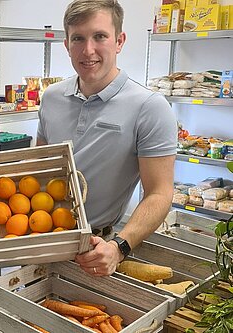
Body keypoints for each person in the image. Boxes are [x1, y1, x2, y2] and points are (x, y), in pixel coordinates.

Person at [37, 0, 176, 276]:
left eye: (99, 36)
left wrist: (119, 247)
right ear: (66, 44)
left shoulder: (149, 107)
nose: (88, 50)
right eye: (78, 38)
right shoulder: (51, 98)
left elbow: (160, 193)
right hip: (40, 238)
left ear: (119, 41)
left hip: (96, 251)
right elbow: (39, 170)